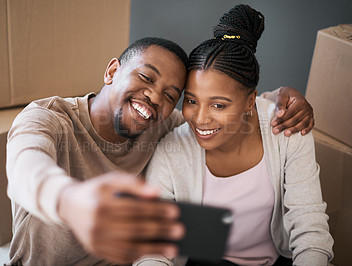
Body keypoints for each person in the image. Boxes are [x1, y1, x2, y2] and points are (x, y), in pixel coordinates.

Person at [5, 35, 315, 265]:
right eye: (145, 77)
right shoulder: (49, 119)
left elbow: (221, 111)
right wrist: (70, 200)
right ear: (112, 71)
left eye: (171, 95)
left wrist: (283, 97)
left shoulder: (159, 125)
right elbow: (25, 168)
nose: (154, 97)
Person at [134, 5, 333, 266]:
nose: (200, 118)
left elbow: (309, 225)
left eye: (219, 105)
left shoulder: (287, 130)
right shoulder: (173, 149)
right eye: (192, 100)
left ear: (250, 101)